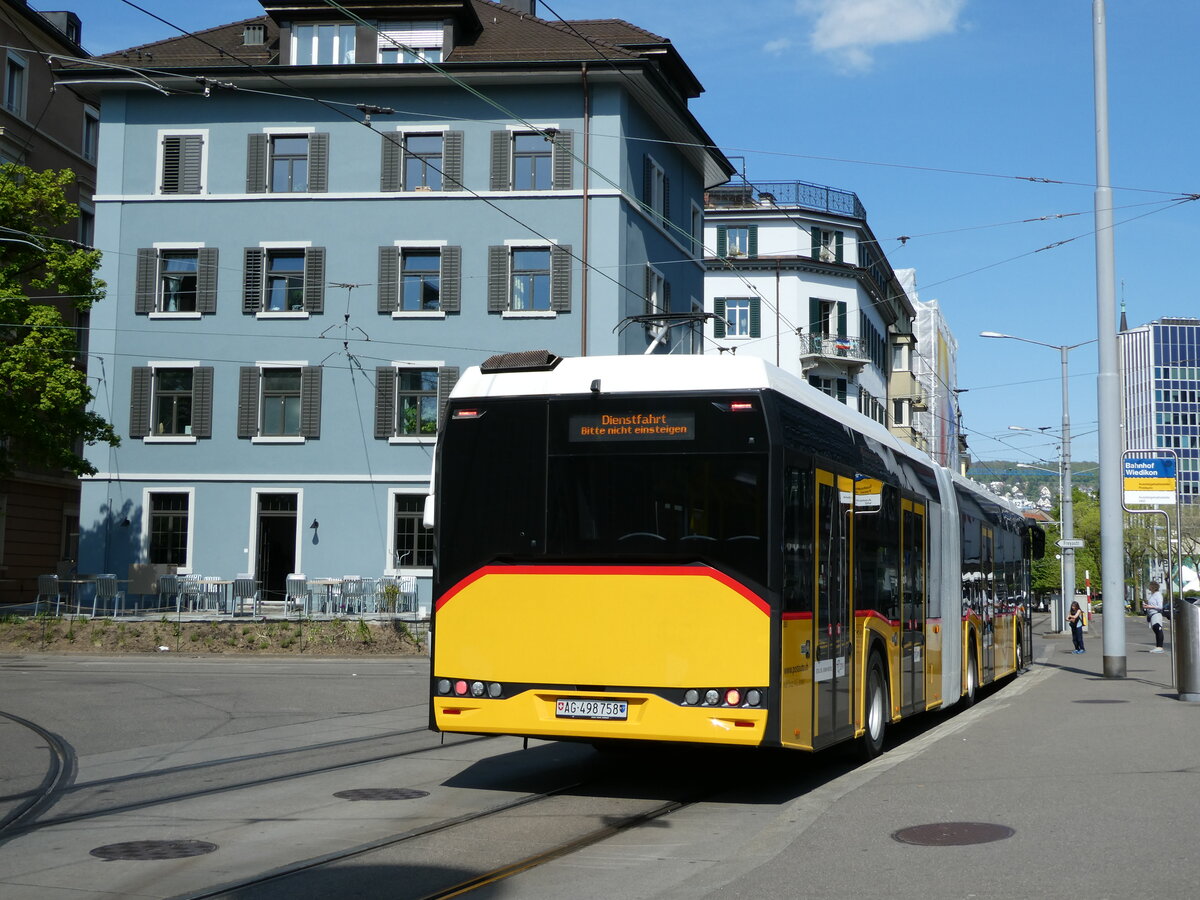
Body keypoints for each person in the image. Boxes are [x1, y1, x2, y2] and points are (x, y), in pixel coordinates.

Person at [1146, 582, 1166, 653]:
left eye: (1150, 586)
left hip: (1156, 614)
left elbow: (1160, 606)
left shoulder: (1158, 595)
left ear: (1153, 587)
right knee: (1155, 629)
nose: (1148, 587)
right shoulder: (1153, 595)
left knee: (1158, 628)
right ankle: (1158, 646)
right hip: (1152, 614)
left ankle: (1160, 647)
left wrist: (1149, 606)